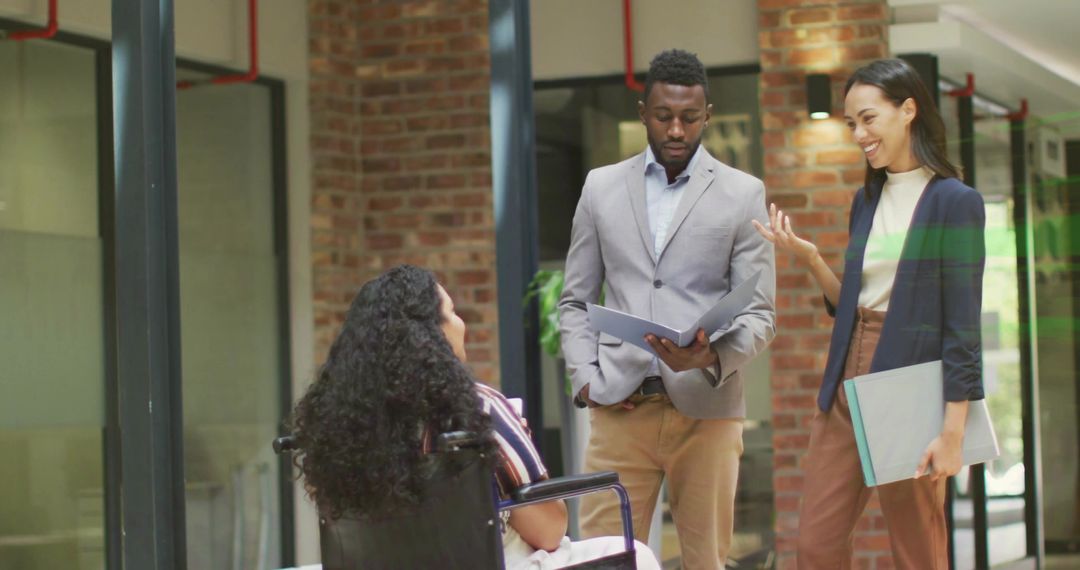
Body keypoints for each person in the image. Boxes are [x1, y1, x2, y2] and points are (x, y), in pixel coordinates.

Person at [752, 58, 986, 569]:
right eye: (851, 123)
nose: (859, 133)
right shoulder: (867, 199)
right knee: (816, 544)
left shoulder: (955, 202)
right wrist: (811, 258)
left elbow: (963, 328)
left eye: (868, 118)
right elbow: (853, 304)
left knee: (916, 548)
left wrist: (951, 433)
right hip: (845, 381)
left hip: (909, 381)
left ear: (908, 111)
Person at [288, 265, 660, 570]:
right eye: (452, 312)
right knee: (639, 556)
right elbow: (548, 532)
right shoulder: (475, 410)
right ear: (429, 335)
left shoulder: (338, 426)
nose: (460, 323)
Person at [558, 49, 776, 569]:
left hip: (707, 410)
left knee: (705, 561)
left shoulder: (744, 193)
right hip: (618, 408)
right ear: (643, 112)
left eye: (689, 118)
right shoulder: (600, 186)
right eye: (664, 117)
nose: (676, 130)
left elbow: (761, 313)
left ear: (708, 115)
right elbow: (574, 299)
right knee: (601, 559)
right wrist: (586, 379)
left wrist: (708, 357)